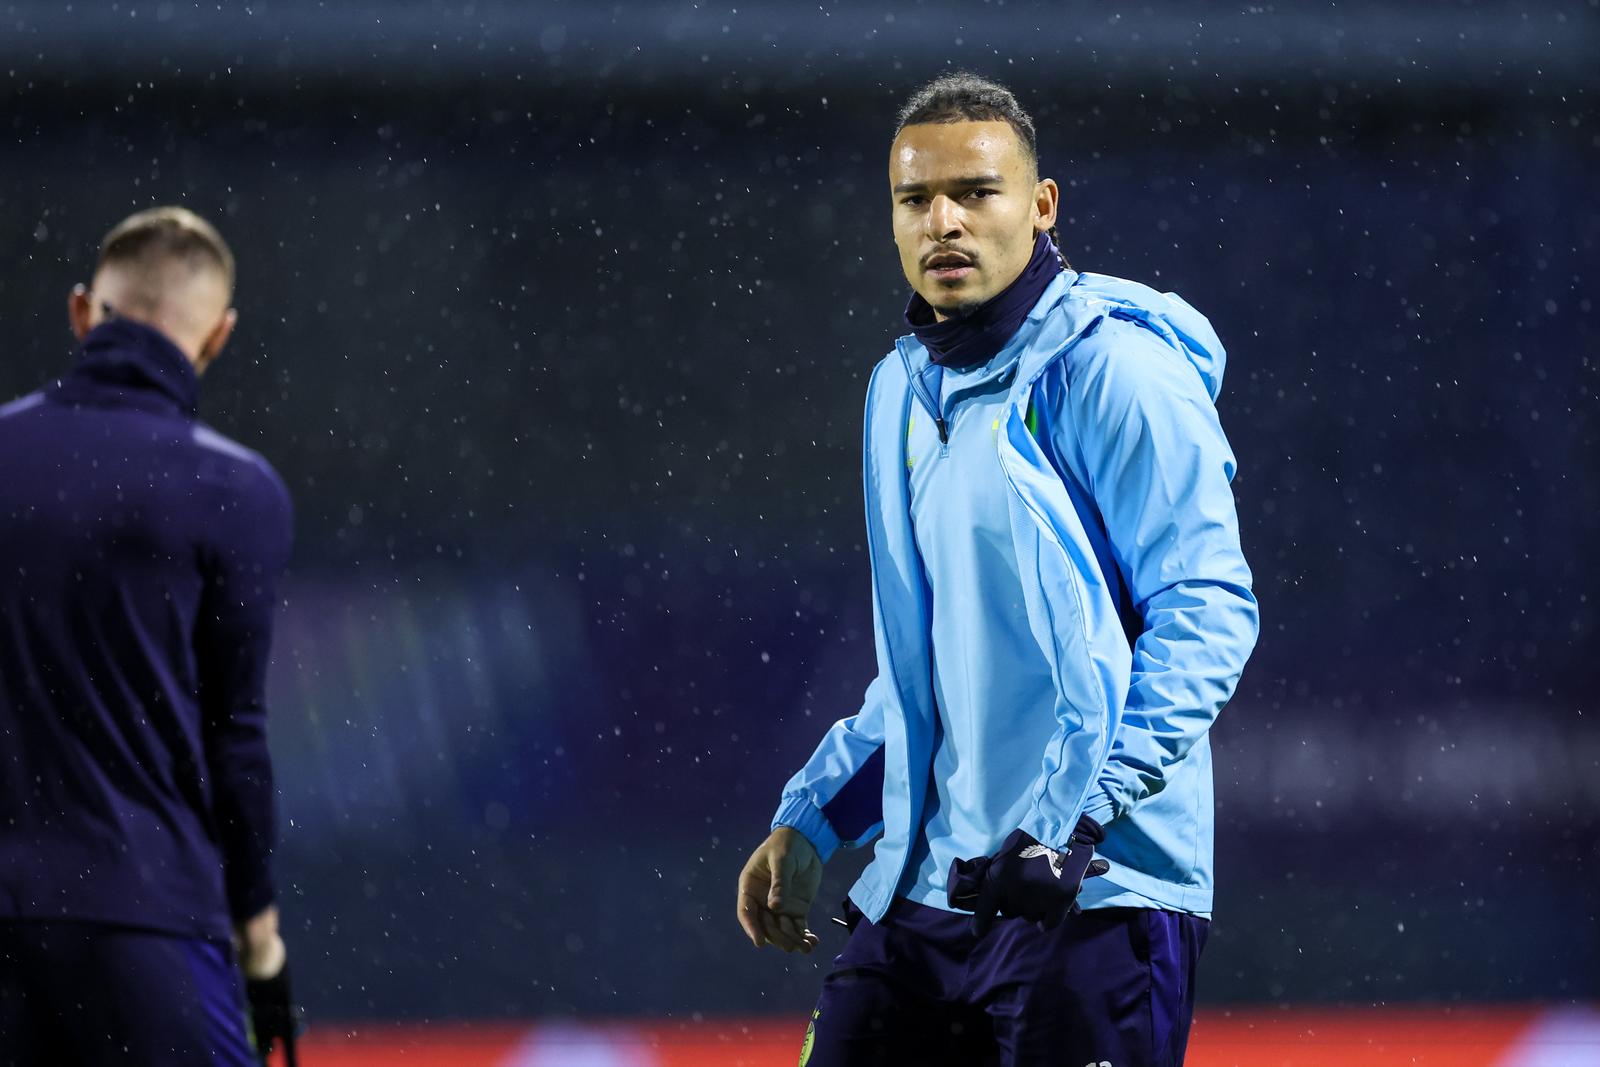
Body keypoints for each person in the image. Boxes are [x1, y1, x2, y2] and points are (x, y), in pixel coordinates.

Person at [736, 74, 1259, 1066]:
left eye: (975, 192)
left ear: (1042, 205)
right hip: (933, 893)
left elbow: (1209, 611)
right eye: (914, 199)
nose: (942, 220)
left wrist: (1078, 818)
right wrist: (813, 818)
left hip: (1099, 896)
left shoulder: (1117, 374)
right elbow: (929, 677)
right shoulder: (899, 391)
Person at [0, 207, 296, 1065]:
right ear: (217, 337)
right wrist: (261, 941)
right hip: (144, 920)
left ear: (84, 311)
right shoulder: (235, 491)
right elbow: (234, 737)